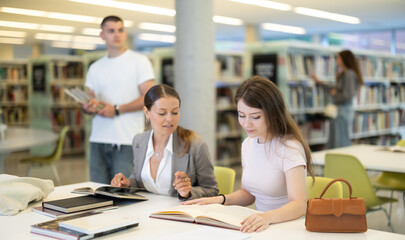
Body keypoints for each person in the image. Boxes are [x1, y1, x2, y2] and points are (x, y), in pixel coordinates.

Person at [183, 76, 314, 233]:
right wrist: (219, 200)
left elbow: (299, 205)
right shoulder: (248, 144)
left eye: (255, 116)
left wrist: (267, 217)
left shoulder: (289, 148)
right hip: (260, 227)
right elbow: (249, 194)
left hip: (286, 227)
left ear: (273, 113)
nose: (246, 123)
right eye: (241, 115)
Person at [110, 84, 219, 200]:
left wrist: (188, 192)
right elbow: (139, 180)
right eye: (162, 113)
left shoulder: (196, 146)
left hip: (177, 214)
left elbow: (212, 190)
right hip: (145, 211)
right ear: (147, 113)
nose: (170, 119)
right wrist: (127, 184)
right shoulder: (139, 141)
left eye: (175, 112)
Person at [82, 15, 155, 184]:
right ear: (102, 35)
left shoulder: (139, 61)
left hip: (126, 140)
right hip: (98, 140)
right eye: (111, 31)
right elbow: (88, 100)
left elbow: (149, 97)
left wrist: (116, 109)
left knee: (124, 194)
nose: (116, 34)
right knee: (97, 192)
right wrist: (88, 107)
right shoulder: (95, 67)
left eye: (120, 30)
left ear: (125, 33)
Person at [312, 50, 364, 149]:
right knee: (335, 140)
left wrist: (335, 94)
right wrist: (319, 82)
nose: (337, 60)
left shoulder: (349, 74)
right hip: (338, 110)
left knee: (340, 142)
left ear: (345, 59)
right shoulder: (343, 74)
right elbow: (334, 90)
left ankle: (341, 163)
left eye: (339, 58)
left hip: (342, 111)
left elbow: (348, 95)